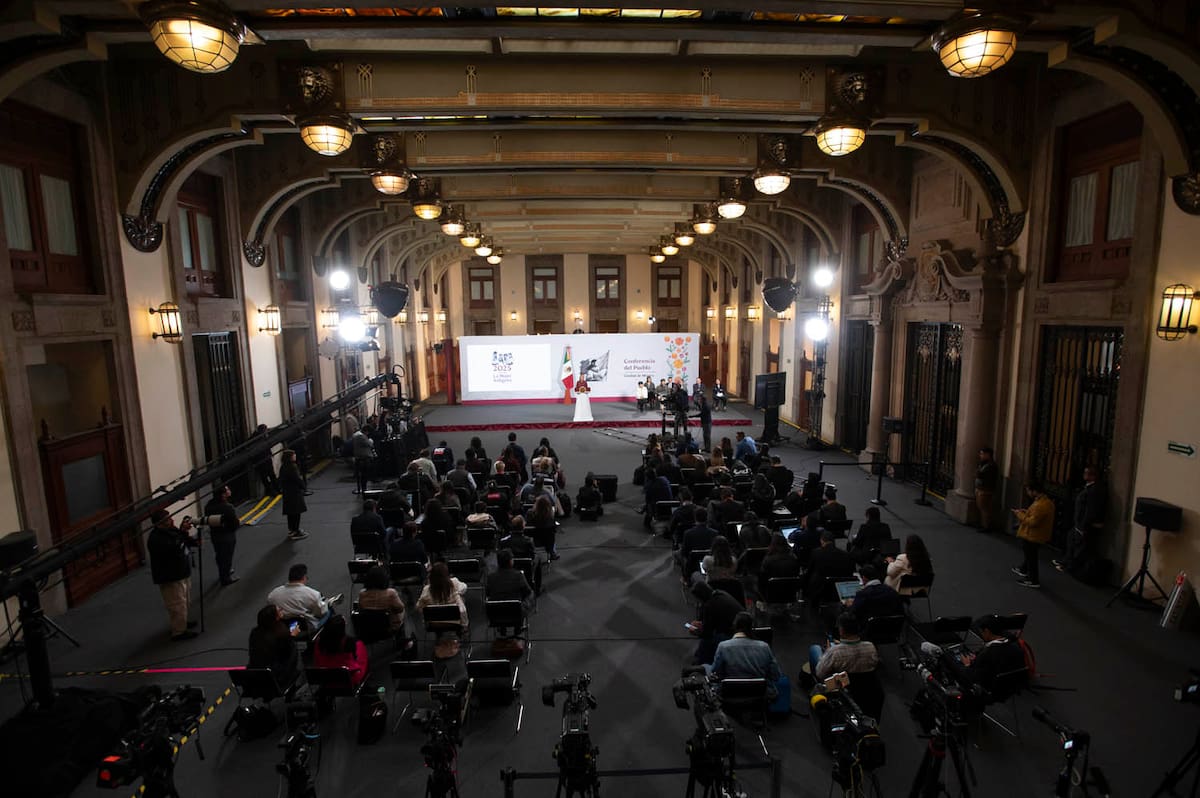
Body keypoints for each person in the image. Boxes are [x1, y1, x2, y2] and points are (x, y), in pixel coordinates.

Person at [146, 509, 199, 641]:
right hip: (170, 577)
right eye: (168, 519)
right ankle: (179, 632)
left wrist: (186, 534)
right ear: (160, 523)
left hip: (181, 572)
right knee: (177, 604)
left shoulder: (171, 530)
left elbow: (182, 540)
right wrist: (182, 531)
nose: (172, 520)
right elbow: (174, 548)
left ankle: (183, 623)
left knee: (185, 600)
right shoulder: (156, 539)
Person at [710, 612, 782, 700]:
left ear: (734, 626)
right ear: (752, 628)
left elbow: (715, 674)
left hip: (730, 696)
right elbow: (776, 675)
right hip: (760, 697)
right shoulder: (764, 647)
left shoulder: (723, 646)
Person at [1055, 466, 1106, 576]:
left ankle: (1071, 567)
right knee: (1071, 539)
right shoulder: (1089, 488)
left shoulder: (1095, 490)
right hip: (1079, 523)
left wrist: (1083, 526)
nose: (1084, 474)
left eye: (1087, 473)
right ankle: (1066, 561)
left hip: (1085, 524)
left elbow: (1090, 509)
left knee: (1079, 547)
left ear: (1093, 476)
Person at [809, 611, 879, 681]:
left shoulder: (834, 652)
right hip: (865, 683)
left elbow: (820, 674)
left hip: (841, 685)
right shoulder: (871, 647)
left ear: (841, 630)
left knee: (815, 648)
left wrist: (827, 652)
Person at [267, 563, 339, 630]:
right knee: (328, 611)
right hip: (305, 629)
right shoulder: (313, 594)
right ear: (304, 577)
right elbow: (320, 613)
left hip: (283, 628)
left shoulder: (273, 594)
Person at [688, 581, 743, 665]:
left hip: (734, 634)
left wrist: (696, 631)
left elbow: (707, 634)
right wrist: (702, 623)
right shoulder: (720, 593)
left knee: (707, 641)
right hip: (741, 627)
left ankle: (702, 662)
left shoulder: (710, 605)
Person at [1012, 482, 1054, 589]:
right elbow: (1036, 516)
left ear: (1034, 491)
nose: (1027, 493)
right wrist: (1026, 512)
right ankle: (1024, 569)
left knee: (1031, 556)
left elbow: (1032, 522)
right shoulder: (1045, 502)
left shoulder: (1040, 505)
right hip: (1037, 534)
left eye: (1028, 490)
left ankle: (1033, 579)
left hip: (1033, 535)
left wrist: (1019, 514)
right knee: (1030, 555)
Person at [248, 604, 300, 688]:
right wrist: (292, 637)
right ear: (275, 618)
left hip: (256, 676)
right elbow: (287, 654)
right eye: (278, 611)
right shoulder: (281, 635)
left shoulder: (255, 633)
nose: (281, 610)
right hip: (277, 676)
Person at [312, 613, 368, 688]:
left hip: (326, 680)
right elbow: (359, 667)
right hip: (349, 681)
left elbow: (317, 662)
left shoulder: (319, 643)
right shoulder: (354, 644)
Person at [417, 561, 469, 636]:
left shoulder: (426, 589)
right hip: (455, 622)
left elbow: (419, 607)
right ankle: (464, 630)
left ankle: (439, 633)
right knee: (461, 599)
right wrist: (457, 593)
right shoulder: (454, 583)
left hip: (433, 624)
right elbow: (464, 588)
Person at [204, 484, 241, 586]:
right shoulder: (227, 507)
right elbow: (234, 523)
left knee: (220, 555)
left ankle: (223, 572)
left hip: (215, 534)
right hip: (227, 535)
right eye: (227, 490)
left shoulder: (209, 505)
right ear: (223, 494)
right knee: (227, 556)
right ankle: (225, 578)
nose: (229, 490)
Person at [805, 530, 856, 603]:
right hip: (840, 590)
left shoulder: (816, 553)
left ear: (822, 541)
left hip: (821, 590)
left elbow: (809, 571)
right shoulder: (846, 555)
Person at [358, 565, 407, 638]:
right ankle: (401, 638)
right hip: (388, 627)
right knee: (401, 610)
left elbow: (360, 609)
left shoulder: (362, 593)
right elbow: (400, 609)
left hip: (368, 627)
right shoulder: (391, 593)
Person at [499, 516, 543, 594]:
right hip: (526, 568)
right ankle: (537, 589)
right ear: (523, 527)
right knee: (538, 558)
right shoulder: (528, 541)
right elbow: (532, 556)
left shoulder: (503, 541)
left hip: (509, 567)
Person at [280, 449, 309, 541]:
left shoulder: (283, 466)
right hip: (294, 492)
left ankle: (291, 530)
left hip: (287, 492)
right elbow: (297, 479)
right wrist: (304, 487)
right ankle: (296, 531)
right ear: (289, 457)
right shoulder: (292, 467)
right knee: (296, 512)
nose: (295, 456)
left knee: (290, 513)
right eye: (293, 455)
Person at [526, 494, 559, 560]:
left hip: (535, 538)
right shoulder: (550, 518)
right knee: (551, 534)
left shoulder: (530, 513)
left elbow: (528, 526)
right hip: (547, 541)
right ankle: (552, 552)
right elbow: (554, 530)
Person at [975, 447, 999, 533]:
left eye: (982, 454)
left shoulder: (991, 466)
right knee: (981, 507)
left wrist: (978, 471)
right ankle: (983, 524)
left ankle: (986, 525)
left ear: (988, 454)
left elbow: (981, 475)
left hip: (985, 489)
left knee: (984, 508)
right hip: (981, 488)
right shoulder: (984, 464)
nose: (980, 455)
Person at [252, 424, 280, 496]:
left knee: (266, 477)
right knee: (269, 476)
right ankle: (275, 490)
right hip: (263, 459)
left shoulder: (256, 437)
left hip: (263, 459)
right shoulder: (258, 438)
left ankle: (273, 490)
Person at [352, 427, 374, 494]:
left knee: (363, 475)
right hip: (364, 458)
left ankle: (362, 488)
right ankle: (364, 488)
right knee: (364, 474)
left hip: (360, 457)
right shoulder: (361, 437)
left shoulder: (356, 435)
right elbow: (370, 444)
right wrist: (370, 440)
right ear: (366, 431)